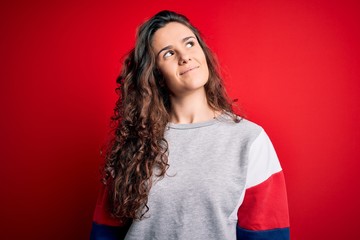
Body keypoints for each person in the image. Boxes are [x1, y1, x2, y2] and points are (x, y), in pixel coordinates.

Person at [90, 10, 290, 240]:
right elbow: (105, 232)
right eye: (168, 53)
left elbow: (268, 233)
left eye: (189, 43)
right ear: (154, 73)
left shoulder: (249, 140)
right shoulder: (134, 141)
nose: (184, 56)